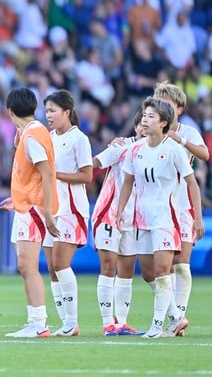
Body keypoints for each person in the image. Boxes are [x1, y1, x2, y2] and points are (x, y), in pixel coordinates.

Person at [116, 97, 205, 338]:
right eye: (144, 115)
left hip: (167, 218)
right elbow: (127, 183)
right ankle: (176, 316)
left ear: (164, 122)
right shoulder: (136, 149)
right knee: (147, 273)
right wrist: (120, 210)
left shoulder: (174, 149)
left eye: (151, 116)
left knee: (163, 270)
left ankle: (157, 326)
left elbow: (192, 184)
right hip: (142, 218)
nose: (144, 119)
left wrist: (197, 218)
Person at [0, 87, 59, 338]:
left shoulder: (32, 136)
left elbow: (46, 173)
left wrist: (46, 211)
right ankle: (34, 320)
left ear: (10, 111)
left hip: (34, 209)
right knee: (25, 266)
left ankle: (39, 323)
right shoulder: (30, 132)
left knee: (28, 266)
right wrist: (17, 199)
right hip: (27, 205)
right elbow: (33, 175)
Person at [152, 82, 209, 334]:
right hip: (156, 206)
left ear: (179, 108)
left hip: (183, 206)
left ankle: (178, 318)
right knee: (154, 269)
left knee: (180, 263)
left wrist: (181, 139)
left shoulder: (188, 131)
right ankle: (175, 317)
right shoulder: (151, 131)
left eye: (167, 103)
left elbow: (205, 155)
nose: (161, 107)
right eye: (158, 102)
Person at [42, 90, 92, 337]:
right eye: (46, 110)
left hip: (71, 208)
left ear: (67, 112)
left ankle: (72, 321)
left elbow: (87, 175)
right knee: (51, 267)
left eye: (52, 110)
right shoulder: (48, 137)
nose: (48, 115)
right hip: (51, 208)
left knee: (61, 264)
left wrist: (55, 175)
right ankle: (65, 322)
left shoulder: (79, 139)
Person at [91, 110, 144, 336]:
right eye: (141, 123)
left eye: (149, 121)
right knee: (109, 267)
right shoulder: (122, 147)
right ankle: (107, 324)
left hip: (134, 219)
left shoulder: (158, 153)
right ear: (136, 127)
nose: (144, 127)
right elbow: (95, 162)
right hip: (110, 214)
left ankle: (121, 322)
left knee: (127, 269)